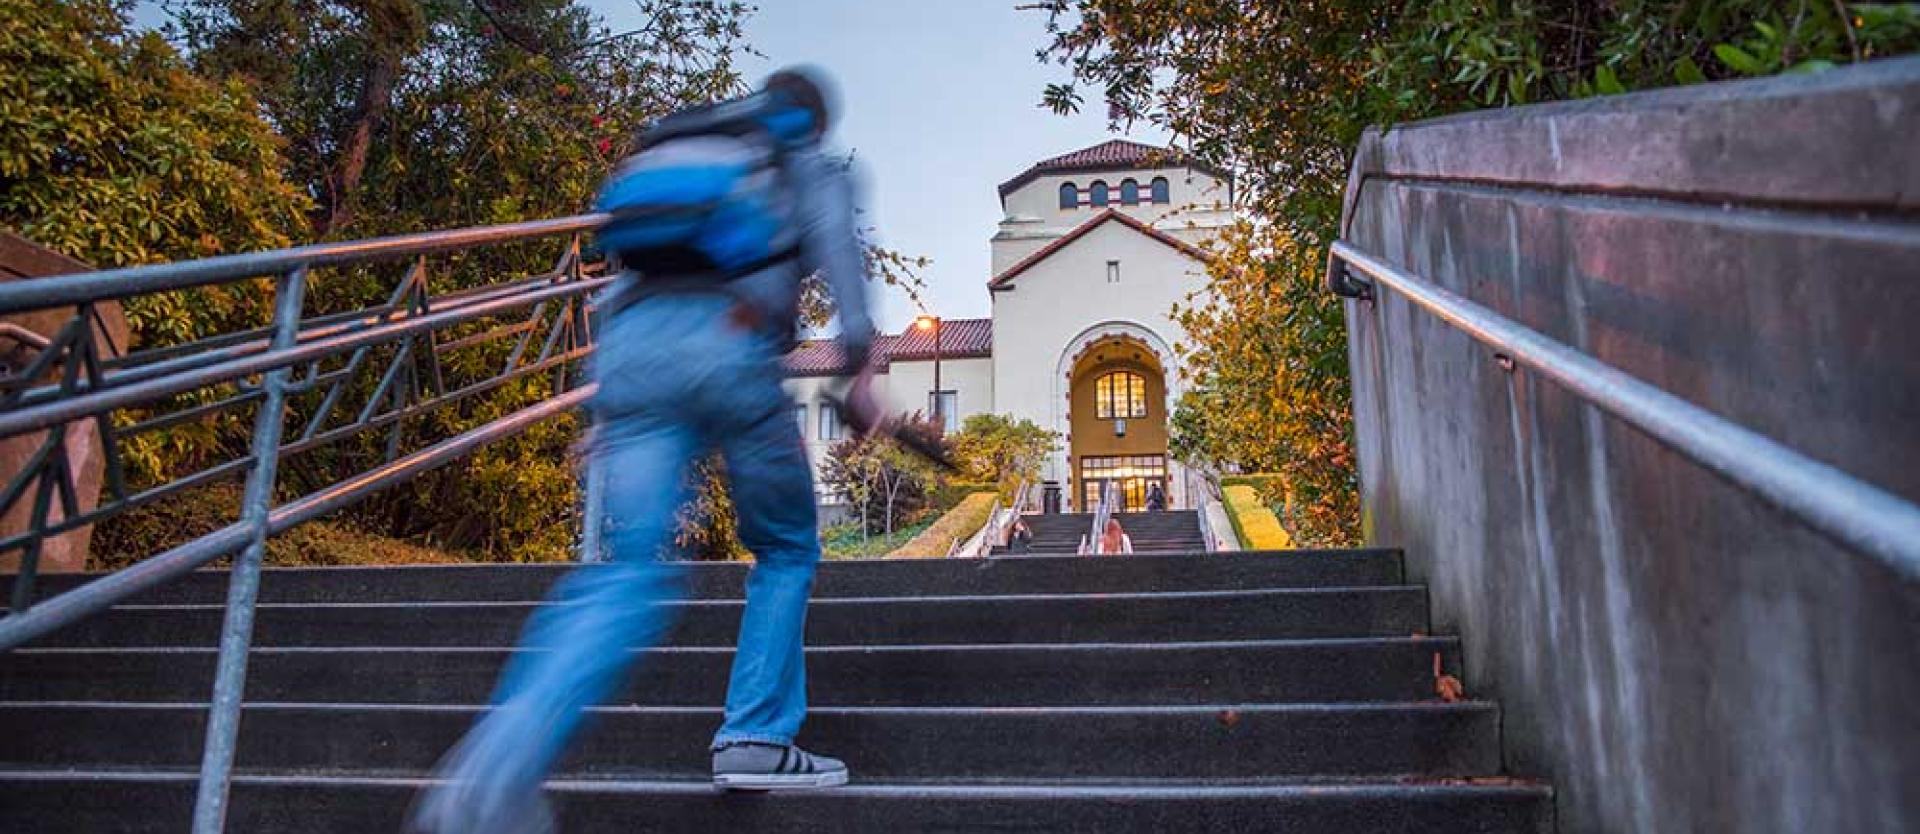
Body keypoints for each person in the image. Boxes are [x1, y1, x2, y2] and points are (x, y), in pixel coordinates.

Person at [408, 67, 878, 834]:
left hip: (630, 355)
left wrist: (608, 403)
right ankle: (756, 737)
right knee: (787, 545)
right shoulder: (810, 164)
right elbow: (843, 270)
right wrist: (858, 371)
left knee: (630, 572)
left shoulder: (691, 147)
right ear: (816, 121)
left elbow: (623, 279)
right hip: (730, 348)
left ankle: (496, 767)